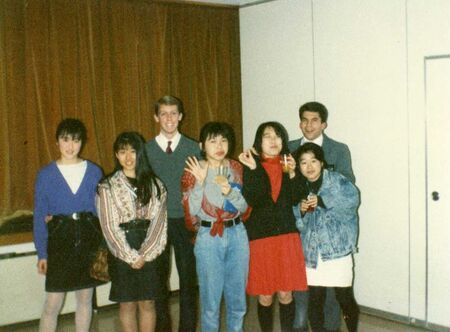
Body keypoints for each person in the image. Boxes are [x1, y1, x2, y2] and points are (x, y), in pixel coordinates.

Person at [288, 101, 355, 332]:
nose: (309, 125)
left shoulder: (339, 149)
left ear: (324, 123)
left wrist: (322, 199)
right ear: (299, 123)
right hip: (301, 230)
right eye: (304, 120)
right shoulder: (288, 149)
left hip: (330, 236)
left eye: (314, 120)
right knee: (305, 293)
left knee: (333, 297)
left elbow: (348, 189)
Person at [33, 118, 104, 332]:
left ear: (82, 142)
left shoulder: (94, 171)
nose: (70, 146)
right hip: (59, 241)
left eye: (75, 140)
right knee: (52, 303)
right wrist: (42, 253)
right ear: (57, 142)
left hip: (88, 239)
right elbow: (39, 217)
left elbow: (101, 211)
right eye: (65, 140)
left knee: (85, 299)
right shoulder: (45, 175)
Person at [239, 121, 308, 332]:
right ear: (259, 142)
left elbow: (297, 198)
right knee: (266, 295)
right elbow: (255, 197)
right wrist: (254, 168)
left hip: (287, 237)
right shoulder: (250, 164)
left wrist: (295, 174)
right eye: (267, 136)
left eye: (277, 136)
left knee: (286, 293)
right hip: (261, 238)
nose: (273, 140)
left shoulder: (288, 163)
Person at [181, 122, 249, 331]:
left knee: (237, 301)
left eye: (224, 140)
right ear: (202, 144)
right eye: (213, 141)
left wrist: (229, 191)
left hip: (237, 233)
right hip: (209, 236)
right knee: (210, 302)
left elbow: (244, 207)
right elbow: (191, 210)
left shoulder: (236, 167)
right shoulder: (193, 170)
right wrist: (200, 183)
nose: (219, 145)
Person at [96, 132, 167, 332]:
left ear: (140, 154)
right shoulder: (107, 185)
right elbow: (109, 226)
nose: (128, 157)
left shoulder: (155, 185)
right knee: (127, 304)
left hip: (149, 247)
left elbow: (159, 223)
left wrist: (144, 254)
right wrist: (130, 256)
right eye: (122, 152)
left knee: (148, 303)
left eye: (133, 151)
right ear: (116, 155)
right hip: (121, 248)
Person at [145, 95, 200, 332]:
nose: (169, 118)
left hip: (186, 222)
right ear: (156, 117)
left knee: (188, 280)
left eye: (173, 113)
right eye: (163, 114)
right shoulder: (145, 150)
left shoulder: (193, 147)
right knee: (158, 282)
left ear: (181, 116)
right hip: (157, 223)